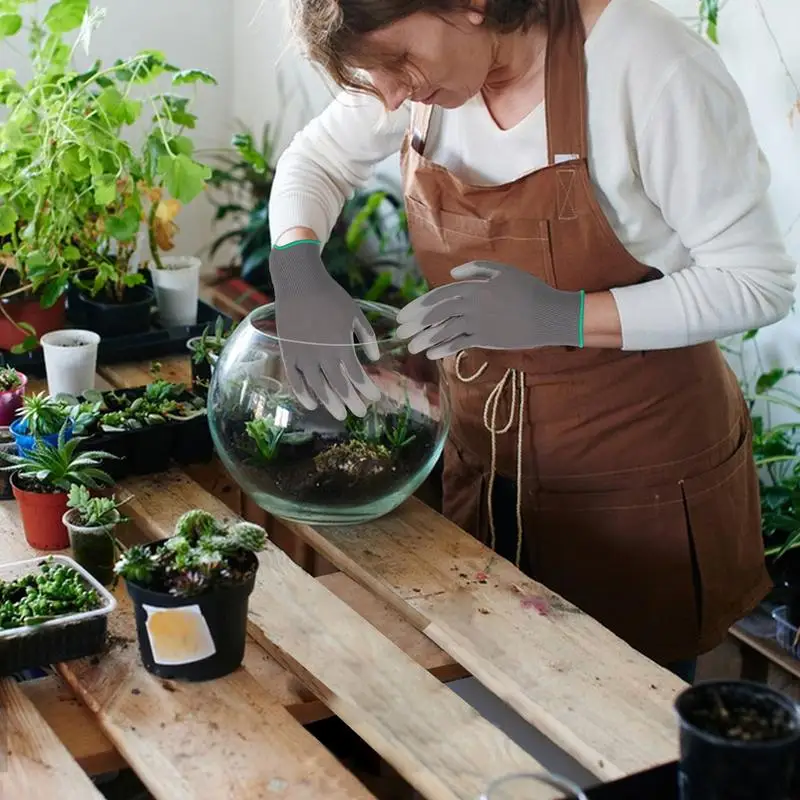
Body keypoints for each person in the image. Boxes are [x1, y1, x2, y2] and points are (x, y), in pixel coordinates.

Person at [266, 0, 797, 682]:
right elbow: (316, 160)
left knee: (619, 736)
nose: (391, 93)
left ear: (472, 5)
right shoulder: (420, 78)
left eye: (397, 62)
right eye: (374, 75)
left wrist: (562, 318)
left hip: (636, 477)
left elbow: (756, 282)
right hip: (487, 461)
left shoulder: (647, 65)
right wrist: (297, 263)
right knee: (490, 709)